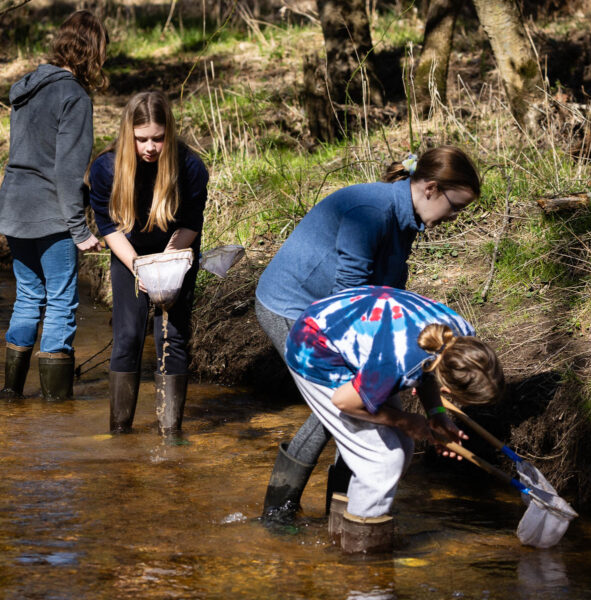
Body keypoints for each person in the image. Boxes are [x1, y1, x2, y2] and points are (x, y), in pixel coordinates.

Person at [256, 147, 481, 521]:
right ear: (430, 189)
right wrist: (388, 393)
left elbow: (386, 298)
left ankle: (341, 512)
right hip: (291, 305)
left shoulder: (406, 217)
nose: (454, 217)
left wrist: (431, 405)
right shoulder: (372, 212)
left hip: (338, 313)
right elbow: (351, 298)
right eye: (454, 206)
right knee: (341, 406)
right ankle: (278, 511)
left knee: (361, 403)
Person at [284, 285, 504, 552]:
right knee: (382, 462)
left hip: (350, 332)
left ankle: (344, 534)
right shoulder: (400, 364)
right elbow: (343, 402)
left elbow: (428, 366)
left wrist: (436, 414)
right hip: (314, 351)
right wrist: (405, 420)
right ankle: (360, 558)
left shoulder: (462, 337)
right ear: (446, 384)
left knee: (402, 445)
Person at [0, 10, 107, 401]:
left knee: (28, 297)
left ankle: (11, 391)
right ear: (94, 52)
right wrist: (80, 231)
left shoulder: (26, 89)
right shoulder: (74, 96)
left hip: (13, 207)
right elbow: (67, 172)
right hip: (50, 212)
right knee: (61, 301)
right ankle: (56, 407)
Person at [89, 90, 209, 436]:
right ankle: (119, 431)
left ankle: (171, 433)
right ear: (129, 135)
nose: (150, 147)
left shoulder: (189, 166)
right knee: (127, 336)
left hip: (176, 251)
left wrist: (166, 267)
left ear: (169, 134)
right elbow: (108, 227)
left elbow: (191, 224)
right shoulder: (105, 167)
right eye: (141, 139)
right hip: (129, 251)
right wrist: (139, 266)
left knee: (171, 336)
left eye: (158, 138)